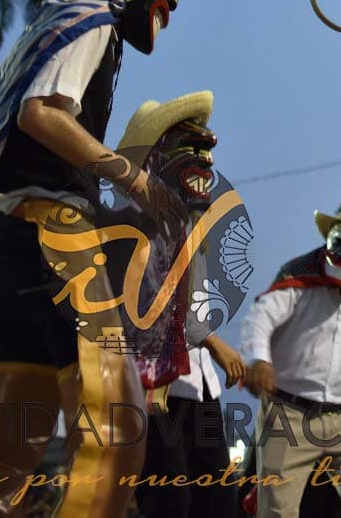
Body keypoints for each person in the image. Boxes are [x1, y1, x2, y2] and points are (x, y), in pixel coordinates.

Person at [0, 0, 198, 517]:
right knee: (116, 429)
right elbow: (43, 115)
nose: (173, 0)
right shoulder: (91, 20)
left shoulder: (49, 24)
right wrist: (136, 184)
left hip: (3, 241)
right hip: (52, 239)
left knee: (7, 457)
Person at [119, 92, 250, 518]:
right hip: (152, 384)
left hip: (197, 384)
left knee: (217, 498)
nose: (205, 162)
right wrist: (213, 342)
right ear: (156, 156)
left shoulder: (188, 223)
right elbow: (151, 300)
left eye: (205, 149)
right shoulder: (131, 220)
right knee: (168, 497)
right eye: (188, 148)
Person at [240, 198, 341, 518]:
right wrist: (259, 359)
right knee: (277, 511)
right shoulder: (297, 279)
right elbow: (261, 317)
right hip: (289, 413)